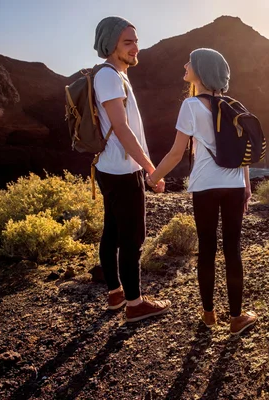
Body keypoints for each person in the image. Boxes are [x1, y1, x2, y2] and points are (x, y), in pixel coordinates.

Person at [148, 48, 257, 335]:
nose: (185, 65)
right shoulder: (234, 106)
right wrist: (246, 186)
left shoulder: (191, 106)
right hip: (233, 185)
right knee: (232, 249)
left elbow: (175, 153)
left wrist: (152, 178)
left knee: (207, 248)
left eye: (190, 62)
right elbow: (242, 153)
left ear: (202, 70)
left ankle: (209, 315)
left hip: (205, 186)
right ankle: (236, 318)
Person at [92, 16, 170, 322]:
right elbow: (122, 129)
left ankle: (116, 294)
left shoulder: (114, 75)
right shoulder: (110, 76)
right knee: (132, 237)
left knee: (112, 230)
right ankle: (136, 304)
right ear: (112, 45)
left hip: (109, 167)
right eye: (128, 42)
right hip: (123, 171)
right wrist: (152, 169)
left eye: (136, 41)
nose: (136, 47)